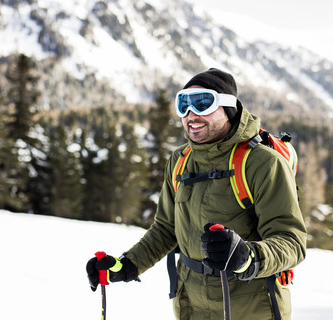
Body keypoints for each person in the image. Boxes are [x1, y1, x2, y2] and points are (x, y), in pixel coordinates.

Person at [86, 68, 307, 320]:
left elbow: (292, 241)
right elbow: (166, 229)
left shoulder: (262, 163)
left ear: (228, 108)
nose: (191, 114)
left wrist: (248, 257)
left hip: (251, 309)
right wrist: (127, 265)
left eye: (203, 103)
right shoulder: (180, 160)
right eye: (184, 104)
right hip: (190, 306)